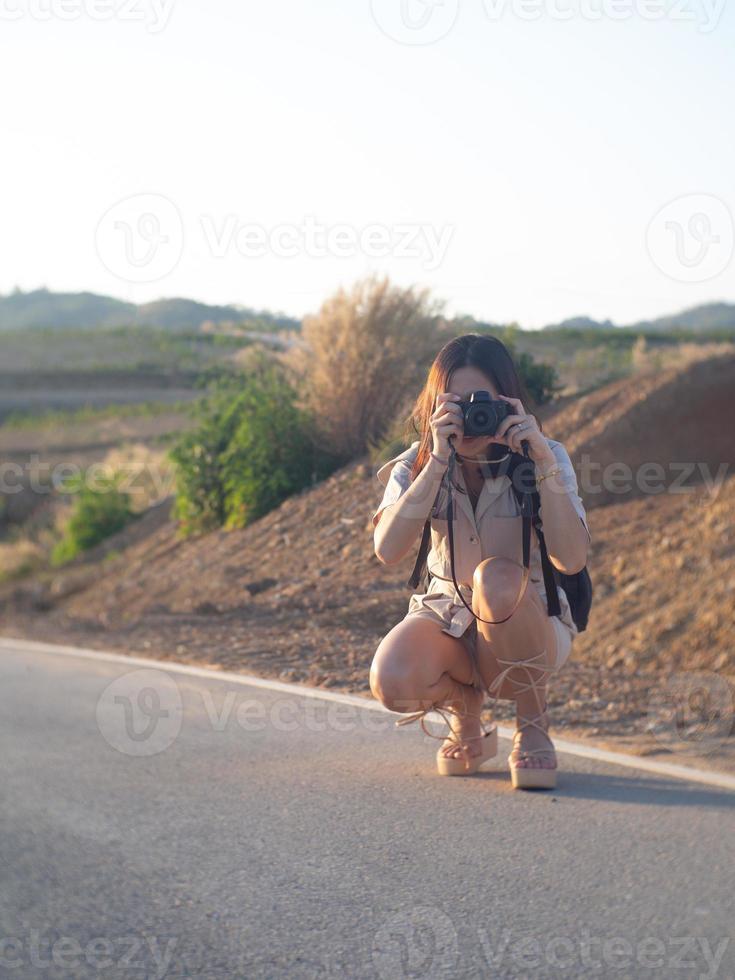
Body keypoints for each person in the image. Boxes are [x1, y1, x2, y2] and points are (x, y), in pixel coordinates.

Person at [369, 334, 591, 789]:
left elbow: (570, 560)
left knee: (496, 578)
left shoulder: (544, 459)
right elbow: (388, 551)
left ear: (508, 402)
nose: (473, 416)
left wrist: (543, 461)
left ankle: (533, 724)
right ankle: (465, 711)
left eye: (482, 402)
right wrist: (436, 462)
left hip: (526, 622)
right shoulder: (416, 465)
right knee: (391, 679)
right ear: (435, 405)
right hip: (447, 618)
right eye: (459, 403)